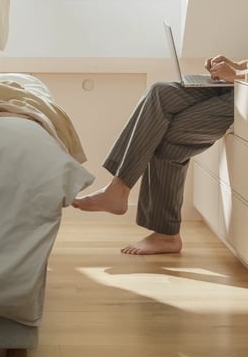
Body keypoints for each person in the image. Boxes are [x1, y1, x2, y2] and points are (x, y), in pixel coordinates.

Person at [72, 53, 246, 255]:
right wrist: (235, 65)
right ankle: (118, 188)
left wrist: (238, 74)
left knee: (167, 133)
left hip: (244, 89)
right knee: (159, 92)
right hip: (240, 86)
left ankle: (166, 234)